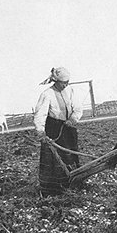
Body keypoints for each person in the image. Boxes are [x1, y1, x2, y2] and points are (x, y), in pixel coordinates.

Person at [34, 67, 83, 195]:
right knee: (54, 157)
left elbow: (78, 108)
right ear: (56, 81)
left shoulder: (71, 90)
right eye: (63, 82)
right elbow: (40, 114)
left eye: (67, 82)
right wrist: (40, 131)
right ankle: (54, 188)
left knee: (71, 154)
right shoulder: (47, 94)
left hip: (68, 128)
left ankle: (74, 181)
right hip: (53, 129)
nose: (66, 84)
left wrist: (72, 119)